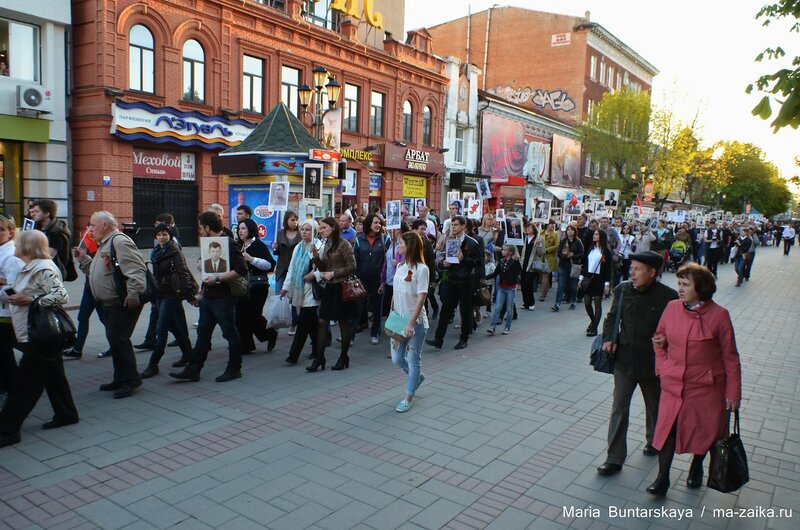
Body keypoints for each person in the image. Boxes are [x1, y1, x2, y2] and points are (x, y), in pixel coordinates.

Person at [645, 263, 741, 495]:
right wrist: (663, 366)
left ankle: (696, 466)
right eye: (679, 283)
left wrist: (733, 394)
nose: (680, 288)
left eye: (685, 284)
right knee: (667, 431)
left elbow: (731, 358)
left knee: (704, 432)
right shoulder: (672, 308)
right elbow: (659, 337)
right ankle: (662, 478)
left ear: (702, 287)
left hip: (706, 389)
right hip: (673, 385)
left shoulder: (720, 316)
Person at [596, 251, 678, 477]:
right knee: (619, 408)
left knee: (655, 406)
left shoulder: (669, 297)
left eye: (637, 269)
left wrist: (667, 340)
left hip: (653, 364)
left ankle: (654, 441)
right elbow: (612, 317)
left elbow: (676, 329)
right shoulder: (623, 290)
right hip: (625, 361)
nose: (631, 272)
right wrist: (608, 338)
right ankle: (614, 458)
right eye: (631, 268)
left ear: (652, 273)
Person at [0, 231, 78, 448]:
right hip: (40, 332)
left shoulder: (43, 267)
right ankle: (67, 413)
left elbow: (61, 296)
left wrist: (30, 300)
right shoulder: (33, 265)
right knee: (54, 376)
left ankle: (8, 429)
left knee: (26, 384)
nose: (14, 245)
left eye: (18, 242)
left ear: (27, 246)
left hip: (41, 334)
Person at [74, 211, 147, 399]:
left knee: (119, 340)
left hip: (120, 301)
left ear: (105, 225)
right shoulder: (104, 243)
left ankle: (131, 379)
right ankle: (119, 377)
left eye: (93, 225)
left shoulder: (119, 241)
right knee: (115, 340)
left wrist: (133, 294)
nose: (90, 229)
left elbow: (136, 269)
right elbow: (95, 270)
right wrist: (83, 259)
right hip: (109, 302)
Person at [170, 212, 247, 383]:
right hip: (209, 297)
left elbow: (242, 269)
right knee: (203, 333)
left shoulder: (229, 243)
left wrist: (218, 278)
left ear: (207, 227)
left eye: (201, 227)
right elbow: (204, 266)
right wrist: (202, 289)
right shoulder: (208, 244)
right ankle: (194, 369)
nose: (200, 231)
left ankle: (235, 368)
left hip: (224, 297)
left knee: (230, 333)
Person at [140, 224, 197, 378]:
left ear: (170, 236)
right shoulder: (156, 252)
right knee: (177, 329)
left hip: (171, 295)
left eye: (165, 234)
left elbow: (183, 274)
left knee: (161, 329)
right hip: (160, 295)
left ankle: (153, 364)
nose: (162, 237)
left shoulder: (174, 252)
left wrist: (189, 296)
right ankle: (189, 356)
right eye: (159, 234)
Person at [425, 216, 482, 350]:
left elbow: (478, 262)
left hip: (465, 282)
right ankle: (438, 339)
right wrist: (443, 264)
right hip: (451, 279)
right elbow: (442, 258)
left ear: (463, 226)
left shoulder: (473, 242)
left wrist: (463, 259)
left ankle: (464, 338)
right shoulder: (450, 240)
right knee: (445, 311)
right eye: (452, 225)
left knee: (465, 311)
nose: (453, 227)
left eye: (456, 225)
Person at [307, 217, 357, 372]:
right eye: (320, 228)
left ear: (333, 228)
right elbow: (324, 267)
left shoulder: (344, 244)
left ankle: (343, 357)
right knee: (322, 321)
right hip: (330, 287)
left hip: (342, 287)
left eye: (323, 227)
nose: (320, 230)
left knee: (343, 323)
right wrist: (315, 256)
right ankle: (320, 358)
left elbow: (353, 266)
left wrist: (334, 273)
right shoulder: (326, 244)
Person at [391, 232, 430, 413]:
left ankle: (408, 396)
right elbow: (395, 294)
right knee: (397, 359)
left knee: (414, 360)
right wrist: (392, 316)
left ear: (410, 246)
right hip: (398, 321)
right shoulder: (400, 266)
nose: (398, 246)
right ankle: (416, 378)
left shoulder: (422, 269)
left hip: (416, 322)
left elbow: (421, 297)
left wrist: (411, 324)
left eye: (401, 244)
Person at [281, 219, 322, 364]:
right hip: (298, 289)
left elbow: (324, 269)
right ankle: (318, 350)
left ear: (315, 232)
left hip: (311, 290)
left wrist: (314, 275)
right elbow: (292, 269)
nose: (304, 232)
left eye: (308, 229)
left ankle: (293, 355)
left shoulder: (319, 246)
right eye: (303, 229)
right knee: (312, 324)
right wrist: (285, 287)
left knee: (303, 322)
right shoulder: (298, 247)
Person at [237, 218, 277, 354]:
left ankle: (270, 333)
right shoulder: (238, 244)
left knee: (253, 314)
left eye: (243, 228)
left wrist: (251, 259)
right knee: (240, 315)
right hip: (241, 286)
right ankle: (246, 345)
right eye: (239, 228)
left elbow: (270, 265)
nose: (240, 231)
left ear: (250, 230)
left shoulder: (258, 245)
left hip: (258, 285)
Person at [352, 214, 390, 344]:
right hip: (362, 278)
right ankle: (349, 336)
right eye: (375, 223)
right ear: (369, 224)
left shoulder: (386, 239)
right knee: (357, 305)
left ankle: (375, 333)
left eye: (379, 223)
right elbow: (354, 260)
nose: (378, 225)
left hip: (379, 279)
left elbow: (388, 259)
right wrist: (354, 277)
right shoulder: (359, 239)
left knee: (377, 307)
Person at [0, 216, 23, 399]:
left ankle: (15, 391)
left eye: (1, 229)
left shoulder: (10, 257)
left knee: (5, 355)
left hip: (6, 314)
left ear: (11, 233)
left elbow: (14, 292)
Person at [29, 199, 74, 280]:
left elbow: (49, 255)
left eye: (36, 211)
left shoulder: (57, 232)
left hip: (51, 273)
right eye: (32, 211)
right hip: (37, 270)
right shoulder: (37, 227)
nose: (32, 214)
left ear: (46, 214)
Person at [579, 229, 613, 337]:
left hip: (599, 279)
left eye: (596, 234)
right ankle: (593, 321)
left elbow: (608, 269)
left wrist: (607, 284)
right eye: (594, 234)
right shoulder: (591, 248)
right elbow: (585, 264)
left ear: (601, 237)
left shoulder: (606, 252)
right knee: (587, 303)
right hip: (588, 277)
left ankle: (594, 329)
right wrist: (581, 278)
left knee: (597, 304)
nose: (594, 235)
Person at [273, 211, 301, 334]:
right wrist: (275, 248)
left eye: (296, 220)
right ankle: (277, 322)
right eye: (292, 220)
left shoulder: (301, 234)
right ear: (286, 221)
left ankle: (293, 324)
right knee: (279, 295)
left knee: (294, 298)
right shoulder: (280, 233)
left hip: (295, 268)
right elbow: (277, 253)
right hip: (282, 268)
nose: (294, 222)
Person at [485, 244, 521, 335]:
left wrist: (517, 260)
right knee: (497, 308)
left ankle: (507, 327)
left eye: (504, 250)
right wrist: (485, 277)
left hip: (510, 289)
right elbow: (495, 273)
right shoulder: (501, 261)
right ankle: (492, 327)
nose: (502, 251)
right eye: (503, 250)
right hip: (501, 288)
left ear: (510, 252)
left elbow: (519, 272)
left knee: (509, 309)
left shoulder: (515, 262)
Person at [552, 224, 583, 312]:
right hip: (563, 265)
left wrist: (574, 255)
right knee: (561, 285)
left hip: (574, 266)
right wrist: (564, 256)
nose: (570, 231)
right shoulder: (563, 241)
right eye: (568, 230)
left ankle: (573, 302)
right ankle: (557, 304)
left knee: (573, 285)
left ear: (575, 231)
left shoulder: (578, 241)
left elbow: (582, 254)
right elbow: (558, 253)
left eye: (572, 230)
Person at [520, 223, 543, 310]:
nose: (528, 229)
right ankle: (525, 303)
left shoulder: (538, 239)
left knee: (528, 284)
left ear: (534, 229)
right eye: (527, 227)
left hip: (532, 265)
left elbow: (541, 253)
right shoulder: (524, 238)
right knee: (523, 284)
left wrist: (538, 245)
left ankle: (531, 302)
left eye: (530, 228)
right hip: (523, 263)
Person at [539, 220, 559, 302]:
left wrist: (547, 250)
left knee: (545, 275)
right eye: (551, 225)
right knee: (541, 276)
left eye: (554, 225)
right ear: (547, 224)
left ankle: (542, 295)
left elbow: (557, 245)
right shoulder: (541, 232)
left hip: (550, 257)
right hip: (540, 256)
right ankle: (545, 290)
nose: (553, 226)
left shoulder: (555, 234)